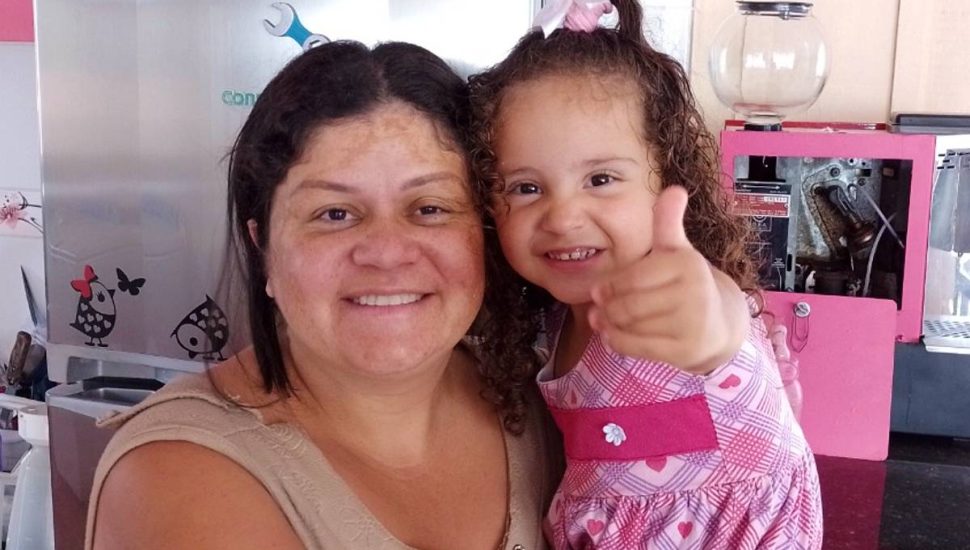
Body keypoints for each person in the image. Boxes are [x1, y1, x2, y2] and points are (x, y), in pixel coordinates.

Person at [86, 41, 564, 550]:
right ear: (263, 248)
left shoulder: (550, 400)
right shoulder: (178, 477)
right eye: (334, 214)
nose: (387, 252)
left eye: (430, 208)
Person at [467, 0, 823, 548]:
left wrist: (706, 327)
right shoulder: (555, 320)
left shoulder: (680, 292)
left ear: (667, 179)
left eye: (601, 179)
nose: (562, 217)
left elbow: (717, 324)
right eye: (526, 187)